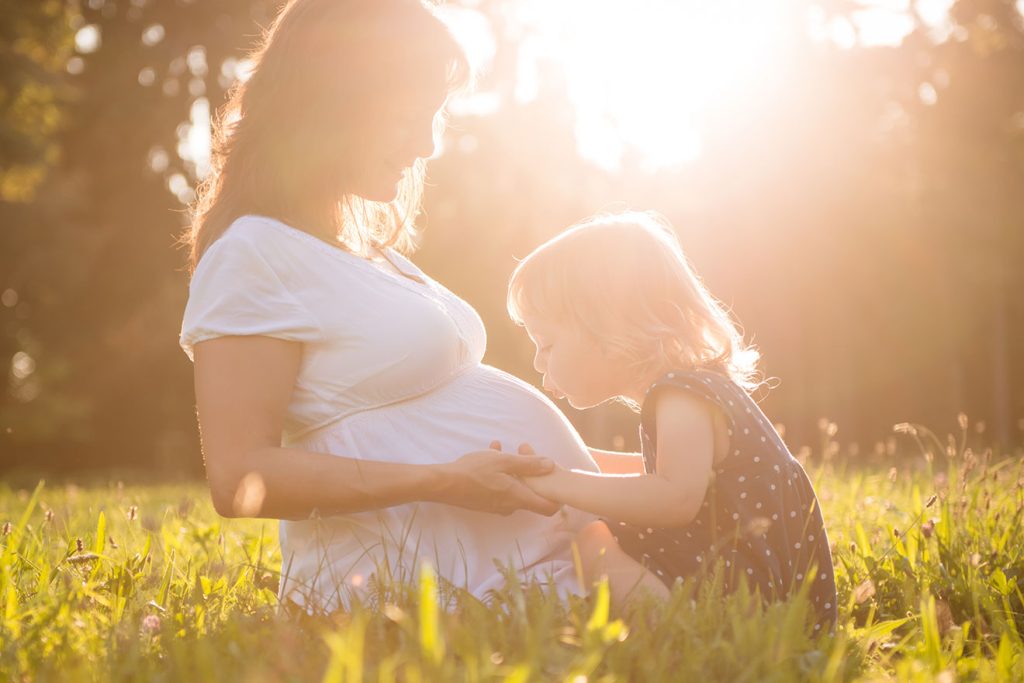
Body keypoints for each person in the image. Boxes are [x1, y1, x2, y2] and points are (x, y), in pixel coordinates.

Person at [178, 0, 598, 614]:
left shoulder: (365, 251)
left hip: (528, 565)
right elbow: (238, 478)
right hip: (414, 594)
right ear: (335, 103)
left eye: (435, 117)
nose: (428, 145)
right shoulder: (253, 252)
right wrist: (444, 481)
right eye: (411, 116)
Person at [499, 211, 838, 631]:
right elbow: (661, 476)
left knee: (592, 541)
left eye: (547, 344)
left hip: (741, 597)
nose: (537, 361)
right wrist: (568, 460)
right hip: (752, 581)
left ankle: (683, 631)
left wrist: (557, 484)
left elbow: (674, 497)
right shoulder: (692, 388)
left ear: (606, 327)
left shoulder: (680, 394)